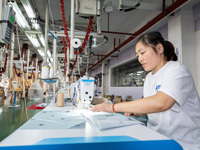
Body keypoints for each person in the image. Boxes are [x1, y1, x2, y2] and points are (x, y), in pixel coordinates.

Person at [91, 31, 200, 150]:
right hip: (156, 139)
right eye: (138, 56)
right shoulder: (149, 77)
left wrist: (113, 107)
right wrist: (138, 111)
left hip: (182, 144)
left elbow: (162, 103)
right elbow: (150, 104)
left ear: (159, 48)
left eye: (142, 53)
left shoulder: (177, 70)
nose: (140, 59)